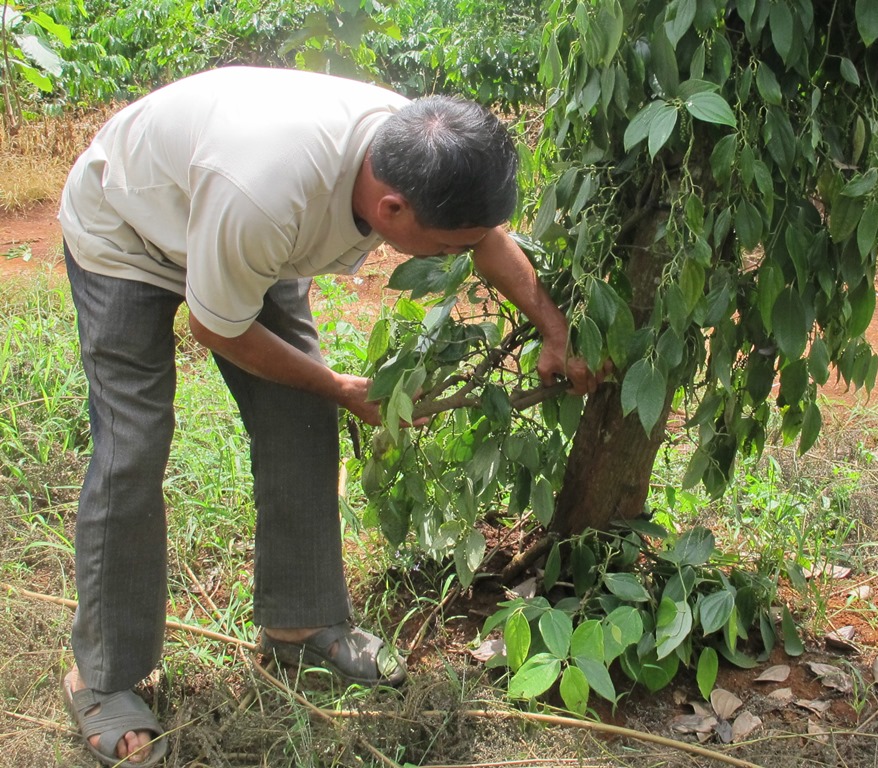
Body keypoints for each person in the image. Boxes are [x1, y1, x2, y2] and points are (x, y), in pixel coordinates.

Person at [58, 65, 597, 766]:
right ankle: (102, 679)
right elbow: (217, 327)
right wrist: (342, 384)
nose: (459, 260)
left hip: (244, 237)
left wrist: (554, 329)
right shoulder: (265, 193)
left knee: (300, 418)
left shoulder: (419, 146)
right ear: (392, 209)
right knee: (132, 446)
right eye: (451, 247)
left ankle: (299, 625)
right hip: (128, 234)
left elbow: (487, 236)